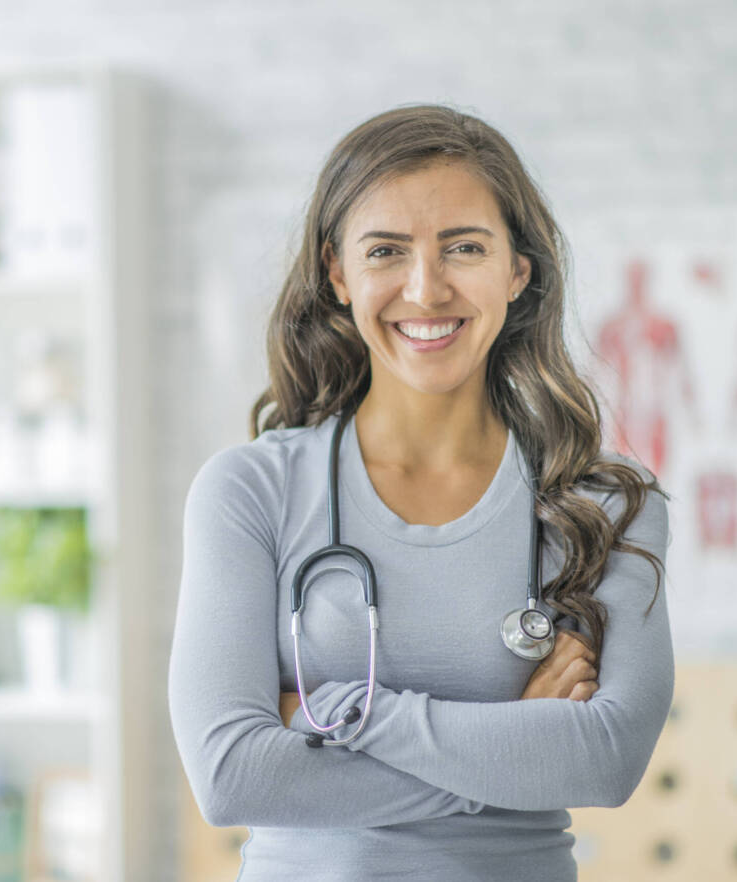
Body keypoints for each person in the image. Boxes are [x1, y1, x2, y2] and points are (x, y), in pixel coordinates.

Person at [168, 104, 673, 881]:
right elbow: (235, 775)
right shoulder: (249, 493)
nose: (426, 287)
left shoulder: (603, 505)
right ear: (338, 274)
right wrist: (516, 743)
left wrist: (334, 712)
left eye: (464, 247)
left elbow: (604, 765)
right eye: (387, 251)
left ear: (518, 270)